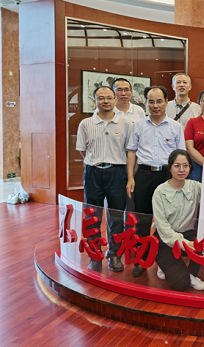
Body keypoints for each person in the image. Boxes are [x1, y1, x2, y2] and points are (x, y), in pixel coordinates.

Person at [126, 86, 185, 277]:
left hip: (167, 176)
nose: (155, 105)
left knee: (168, 220)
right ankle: (141, 260)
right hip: (143, 175)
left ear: (167, 102)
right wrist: (131, 178)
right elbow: (132, 152)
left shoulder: (175, 127)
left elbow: (180, 155)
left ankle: (165, 262)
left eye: (159, 101)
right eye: (151, 101)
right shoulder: (138, 125)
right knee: (142, 221)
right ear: (145, 103)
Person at [76, 86, 133, 273]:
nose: (105, 101)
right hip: (93, 172)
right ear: (95, 101)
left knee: (116, 216)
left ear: (115, 100)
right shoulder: (86, 124)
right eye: (101, 98)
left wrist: (129, 177)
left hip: (117, 173)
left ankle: (114, 254)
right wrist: (96, 161)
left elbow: (129, 151)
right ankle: (94, 255)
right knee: (92, 216)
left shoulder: (125, 124)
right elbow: (83, 150)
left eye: (109, 98)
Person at [152, 149, 204, 291]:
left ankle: (192, 275)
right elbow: (163, 228)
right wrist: (185, 243)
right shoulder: (160, 192)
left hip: (187, 233)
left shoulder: (196, 187)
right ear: (170, 168)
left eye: (185, 165)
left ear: (190, 167)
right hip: (164, 238)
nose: (181, 170)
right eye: (177, 166)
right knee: (181, 283)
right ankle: (165, 265)